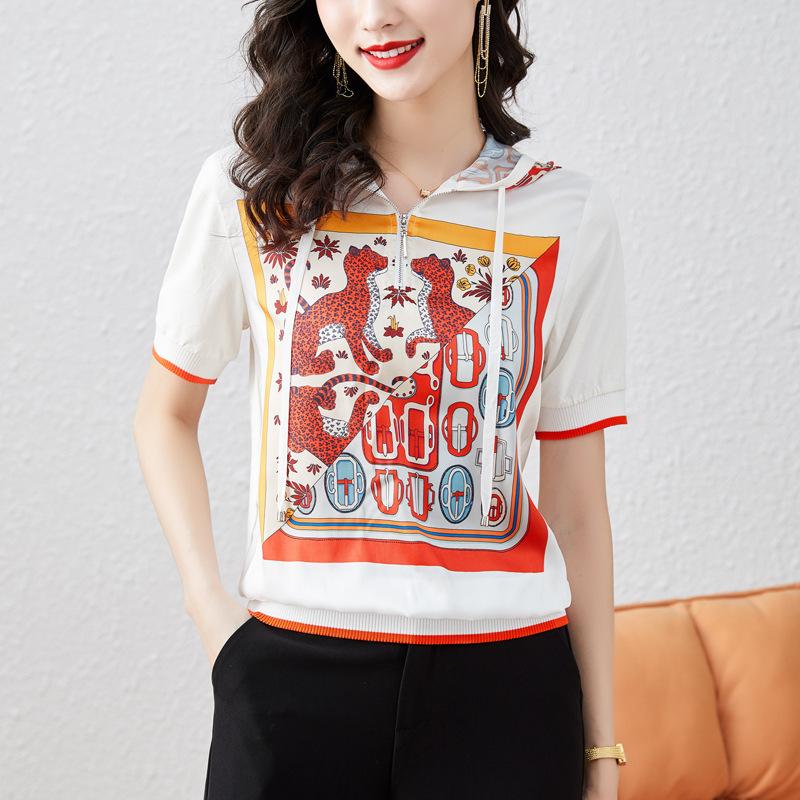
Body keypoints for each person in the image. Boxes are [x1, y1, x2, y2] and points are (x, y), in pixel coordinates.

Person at [133, 0, 629, 797]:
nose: (375, 15)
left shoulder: (566, 213)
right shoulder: (252, 192)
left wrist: (603, 750)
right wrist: (215, 619)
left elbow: (577, 504)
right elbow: (165, 412)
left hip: (508, 695)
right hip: (291, 680)